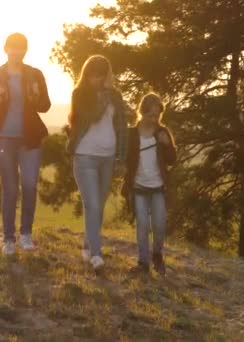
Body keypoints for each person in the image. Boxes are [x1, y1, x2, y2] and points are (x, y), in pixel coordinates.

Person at [0, 33, 51, 255]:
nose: (17, 52)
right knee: (10, 189)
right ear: (6, 49)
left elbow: (45, 106)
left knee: (29, 185)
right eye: (13, 48)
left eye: (21, 48)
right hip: (4, 140)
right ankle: (8, 239)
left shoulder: (35, 74)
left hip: (30, 140)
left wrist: (36, 96)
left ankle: (26, 235)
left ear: (26, 51)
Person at [66, 55, 130, 270]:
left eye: (101, 75)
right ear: (86, 74)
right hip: (85, 156)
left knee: (98, 207)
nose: (97, 79)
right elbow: (84, 119)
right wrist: (100, 103)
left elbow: (122, 127)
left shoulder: (115, 96)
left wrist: (121, 157)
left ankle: (87, 245)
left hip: (108, 157)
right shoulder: (79, 94)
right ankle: (96, 254)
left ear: (107, 75)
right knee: (92, 204)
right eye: (93, 75)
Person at [122, 93, 176, 275]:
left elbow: (172, 160)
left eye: (157, 116)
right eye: (150, 115)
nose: (154, 119)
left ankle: (157, 254)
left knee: (160, 225)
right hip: (138, 188)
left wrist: (167, 145)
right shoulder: (131, 134)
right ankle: (143, 262)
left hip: (158, 187)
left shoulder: (162, 132)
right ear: (142, 113)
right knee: (142, 225)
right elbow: (125, 160)